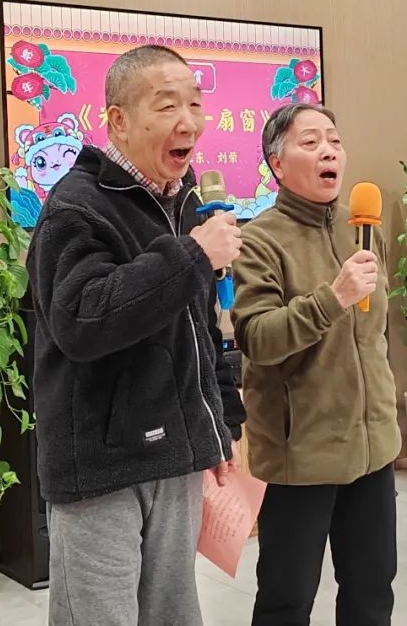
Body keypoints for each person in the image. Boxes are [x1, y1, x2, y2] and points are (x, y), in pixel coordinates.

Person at [26, 45, 246, 626]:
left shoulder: (185, 202)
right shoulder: (76, 207)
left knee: (173, 615)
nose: (188, 122)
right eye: (167, 106)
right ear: (118, 120)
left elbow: (198, 329)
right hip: (103, 468)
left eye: (195, 104)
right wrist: (191, 257)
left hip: (176, 457)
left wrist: (218, 426)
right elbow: (81, 320)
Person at [231, 104, 401, 626]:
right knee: (287, 599)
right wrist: (333, 297)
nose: (329, 151)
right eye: (311, 142)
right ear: (277, 164)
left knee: (372, 591)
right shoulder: (259, 240)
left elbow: (374, 338)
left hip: (371, 448)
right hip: (300, 456)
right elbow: (257, 338)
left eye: (334, 140)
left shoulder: (362, 228)